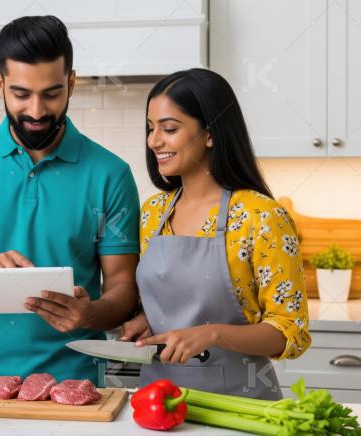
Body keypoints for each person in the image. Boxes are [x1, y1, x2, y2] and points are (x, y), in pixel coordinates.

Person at [0, 16, 140, 387]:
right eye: (21, 94)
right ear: (0, 83)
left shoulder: (110, 174)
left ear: (71, 83)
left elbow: (124, 291)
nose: (36, 111)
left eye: (51, 94)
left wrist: (89, 313)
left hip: (74, 389)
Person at [120, 68, 311, 399]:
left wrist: (213, 334)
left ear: (210, 134)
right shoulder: (153, 213)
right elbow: (168, 303)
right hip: (158, 402)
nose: (153, 141)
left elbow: (290, 331)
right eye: (151, 128)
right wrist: (144, 319)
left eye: (169, 128)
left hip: (240, 404)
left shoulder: (261, 216)